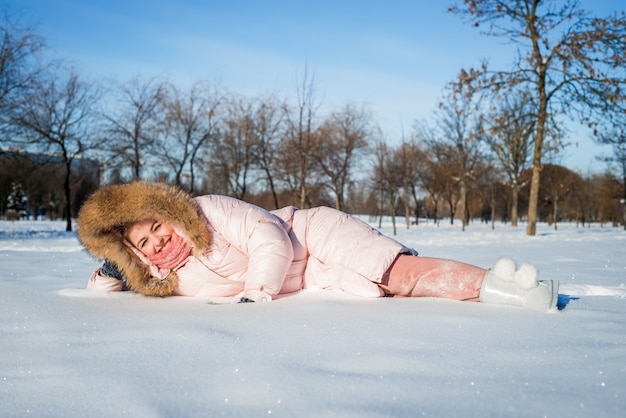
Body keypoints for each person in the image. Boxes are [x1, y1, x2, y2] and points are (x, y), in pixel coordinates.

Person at [77, 181, 559, 311]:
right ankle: (499, 288)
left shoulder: (206, 210)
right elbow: (111, 282)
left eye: (158, 225)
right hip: (315, 278)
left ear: (167, 211)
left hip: (310, 234)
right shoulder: (162, 278)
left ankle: (507, 290)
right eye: (145, 241)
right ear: (137, 251)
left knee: (396, 272)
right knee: (392, 291)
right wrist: (113, 274)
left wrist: (256, 292)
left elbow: (268, 236)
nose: (160, 238)